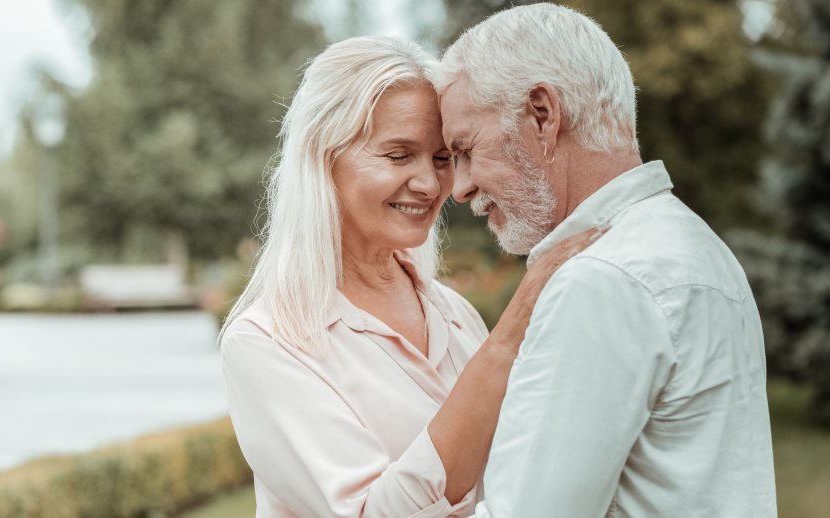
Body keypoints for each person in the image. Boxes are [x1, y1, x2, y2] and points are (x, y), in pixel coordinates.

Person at [220, 35, 604, 517]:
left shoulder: (455, 315)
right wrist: (510, 335)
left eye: (443, 158)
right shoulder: (267, 342)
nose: (430, 184)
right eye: (398, 156)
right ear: (322, 157)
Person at [436, 4, 777, 516]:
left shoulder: (601, 280)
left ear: (542, 115)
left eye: (464, 149)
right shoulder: (694, 245)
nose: (459, 189)